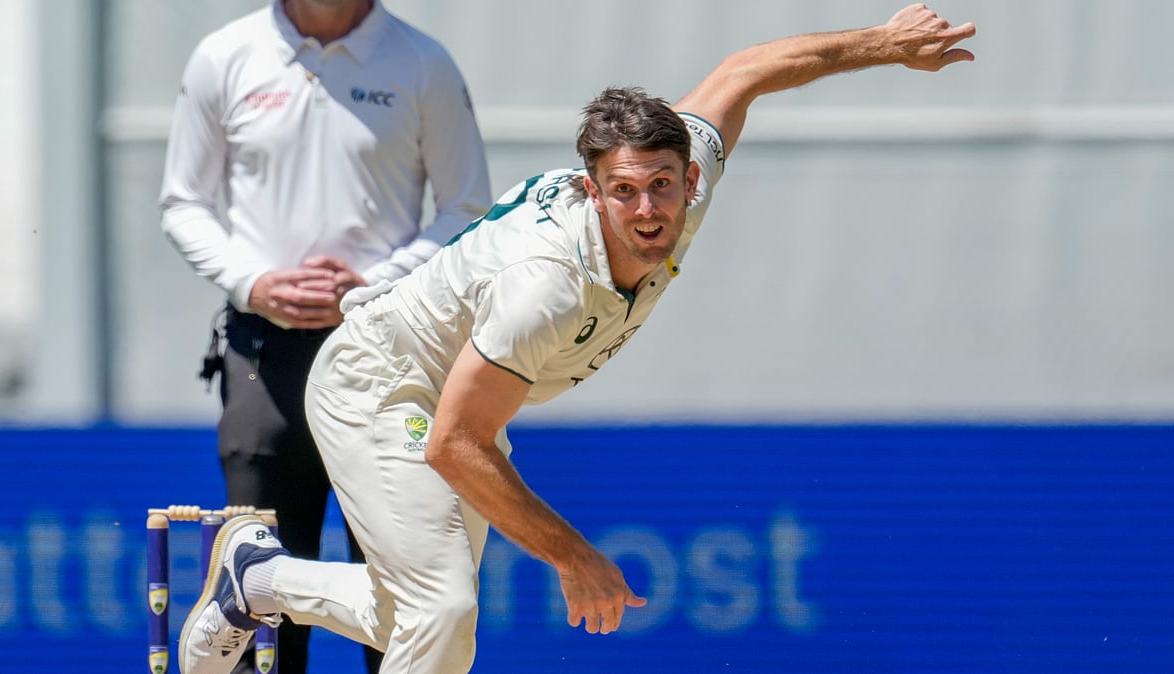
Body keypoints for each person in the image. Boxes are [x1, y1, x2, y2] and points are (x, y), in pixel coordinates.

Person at [177, 4, 976, 673]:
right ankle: (262, 579)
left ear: (691, 175)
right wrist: (574, 557)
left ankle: (260, 578)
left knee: (417, 618)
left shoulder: (684, 176)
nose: (648, 211)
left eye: (663, 185)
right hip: (380, 384)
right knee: (445, 607)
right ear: (593, 191)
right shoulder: (547, 285)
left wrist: (887, 46)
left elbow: (746, 70)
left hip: (441, 386)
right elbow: (456, 443)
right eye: (623, 192)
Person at [158, 0, 491, 672]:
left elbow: (469, 207)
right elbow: (182, 203)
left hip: (393, 353)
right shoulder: (225, 55)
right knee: (260, 599)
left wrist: (372, 281)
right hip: (264, 350)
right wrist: (253, 282)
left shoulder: (423, 61)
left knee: (411, 593)